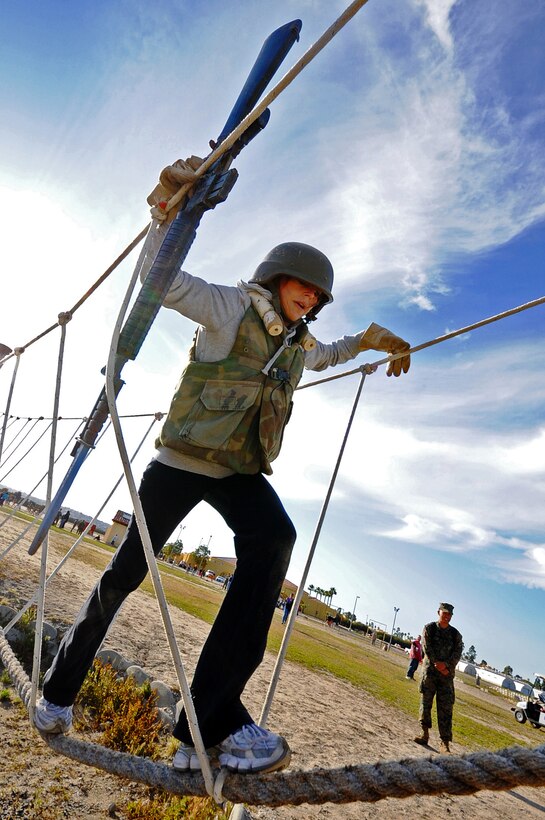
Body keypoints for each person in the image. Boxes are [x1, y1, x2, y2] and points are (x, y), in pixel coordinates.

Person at [35, 240, 411, 775]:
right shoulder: (230, 307)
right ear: (277, 277)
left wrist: (369, 340)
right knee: (124, 575)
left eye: (320, 294)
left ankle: (206, 726)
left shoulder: (299, 345)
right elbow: (160, 280)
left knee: (275, 536)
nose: (312, 296)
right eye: (305, 285)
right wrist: (168, 214)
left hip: (237, 471)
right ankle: (57, 693)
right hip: (179, 463)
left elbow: (330, 354)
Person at [414, 603, 463, 753]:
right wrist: (436, 663)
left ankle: (444, 743)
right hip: (429, 674)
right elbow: (426, 647)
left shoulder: (455, 634)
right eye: (445, 613)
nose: (447, 616)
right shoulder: (429, 628)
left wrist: (446, 666)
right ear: (439, 612)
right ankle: (424, 734)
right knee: (425, 704)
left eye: (450, 614)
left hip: (446, 677)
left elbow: (458, 653)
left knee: (446, 709)